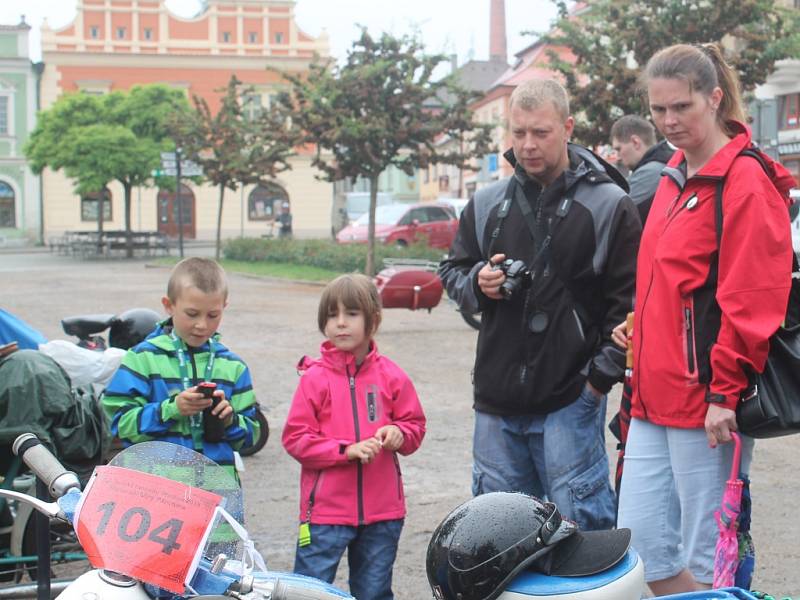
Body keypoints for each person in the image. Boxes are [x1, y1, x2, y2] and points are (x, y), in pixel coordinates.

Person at [613, 43, 795, 596]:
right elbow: (672, 283)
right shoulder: (672, 174)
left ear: (714, 99)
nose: (670, 122)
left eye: (683, 108)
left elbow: (752, 298)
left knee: (707, 557)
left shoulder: (744, 181)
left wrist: (725, 392)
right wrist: (640, 324)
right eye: (660, 110)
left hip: (705, 402)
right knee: (643, 551)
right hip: (649, 395)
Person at [438, 78, 641, 532]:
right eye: (518, 133)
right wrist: (477, 280)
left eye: (541, 133)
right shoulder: (488, 202)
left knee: (582, 538)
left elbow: (629, 306)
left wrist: (596, 383)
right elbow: (451, 270)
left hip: (570, 398)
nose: (527, 146)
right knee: (501, 538)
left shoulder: (610, 205)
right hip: (496, 402)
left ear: (567, 127)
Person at [282, 274, 426, 600]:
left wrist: (398, 433)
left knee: (374, 592)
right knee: (308, 592)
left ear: (373, 319)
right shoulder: (314, 379)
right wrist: (345, 450)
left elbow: (415, 426)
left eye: (351, 314)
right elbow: (296, 438)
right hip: (324, 516)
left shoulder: (391, 375)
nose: (341, 324)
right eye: (332, 315)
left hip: (383, 514)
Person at [103, 257, 261, 479]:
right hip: (155, 493)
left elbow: (252, 437)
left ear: (224, 307)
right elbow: (117, 426)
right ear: (169, 305)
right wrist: (171, 409)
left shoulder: (234, 367)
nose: (202, 325)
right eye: (192, 314)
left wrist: (229, 421)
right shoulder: (142, 359)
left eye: (213, 315)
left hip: (216, 494)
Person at [610, 114, 675, 224]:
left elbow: (615, 216)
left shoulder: (651, 173)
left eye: (618, 148)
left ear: (635, 142)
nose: (618, 156)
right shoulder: (667, 165)